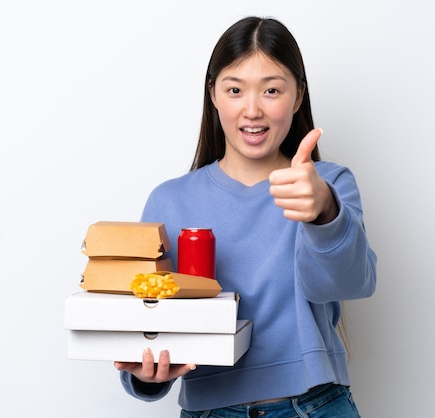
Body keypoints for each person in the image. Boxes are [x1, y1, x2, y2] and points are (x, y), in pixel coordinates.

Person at [114, 16, 377, 417]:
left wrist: (324, 212)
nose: (252, 110)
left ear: (298, 96)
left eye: (272, 90)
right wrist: (147, 375)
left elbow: (350, 282)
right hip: (210, 408)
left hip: (315, 404)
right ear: (214, 95)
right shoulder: (169, 201)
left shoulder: (328, 184)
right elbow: (148, 320)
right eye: (235, 89)